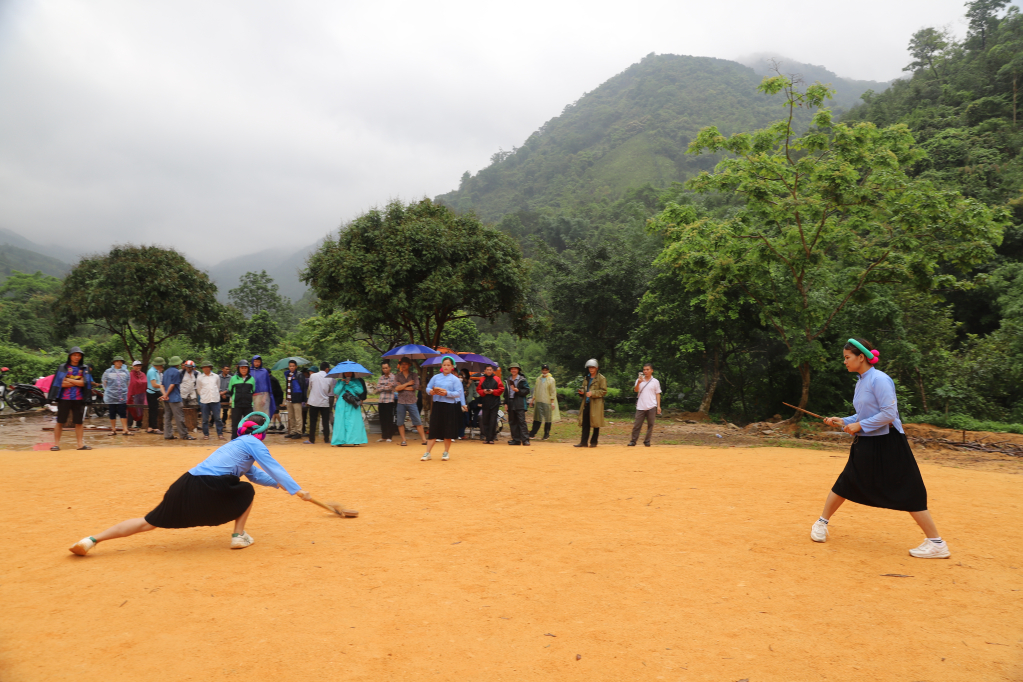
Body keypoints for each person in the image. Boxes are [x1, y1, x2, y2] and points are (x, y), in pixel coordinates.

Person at [68, 413, 314, 555]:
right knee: (245, 491)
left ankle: (91, 540)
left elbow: (257, 474)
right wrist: (297, 489)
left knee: (148, 522)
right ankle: (238, 535)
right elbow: (273, 467)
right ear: (262, 432)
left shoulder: (236, 445)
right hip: (211, 486)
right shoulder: (254, 443)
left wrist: (278, 484)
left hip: (186, 483)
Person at [812, 338, 949, 559]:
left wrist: (859, 425)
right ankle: (821, 523)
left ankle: (936, 543)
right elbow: (864, 415)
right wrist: (844, 420)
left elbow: (888, 414)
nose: (844, 362)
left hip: (889, 443)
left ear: (861, 357)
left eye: (847, 358)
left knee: (908, 488)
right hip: (867, 442)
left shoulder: (880, 379)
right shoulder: (860, 382)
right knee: (847, 480)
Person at [47, 346, 94, 451]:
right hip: (64, 398)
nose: (77, 357)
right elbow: (60, 383)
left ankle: (80, 444)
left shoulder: (84, 368)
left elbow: (84, 383)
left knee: (79, 422)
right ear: (70, 356)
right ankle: (56, 444)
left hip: (79, 398)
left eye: (79, 355)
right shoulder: (62, 368)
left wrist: (69, 380)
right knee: (60, 421)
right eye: (74, 355)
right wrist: (77, 381)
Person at [421, 356, 465, 461]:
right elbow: (428, 387)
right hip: (437, 405)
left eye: (448, 365)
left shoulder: (455, 379)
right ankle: (427, 453)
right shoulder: (436, 377)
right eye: (444, 365)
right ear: (441, 366)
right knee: (434, 428)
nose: (446, 367)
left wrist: (447, 393)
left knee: (448, 429)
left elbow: (458, 393)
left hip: (449, 406)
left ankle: (446, 452)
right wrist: (430, 391)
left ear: (452, 367)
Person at [394, 357, 427, 446]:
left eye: (405, 364)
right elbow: (396, 388)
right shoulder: (397, 376)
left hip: (412, 401)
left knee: (417, 421)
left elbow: (416, 387)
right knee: (400, 421)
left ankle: (424, 439)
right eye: (402, 364)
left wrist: (402, 387)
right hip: (401, 401)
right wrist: (408, 384)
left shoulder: (414, 375)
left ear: (409, 365)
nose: (403, 366)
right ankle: (403, 440)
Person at [575, 358, 607, 448]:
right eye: (589, 367)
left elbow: (603, 391)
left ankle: (594, 442)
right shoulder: (586, 378)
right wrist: (582, 392)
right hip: (586, 403)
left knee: (596, 423)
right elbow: (584, 388)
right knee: (585, 423)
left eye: (593, 367)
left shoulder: (601, 378)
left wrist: (593, 393)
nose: (591, 369)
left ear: (597, 368)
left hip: (596, 404)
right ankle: (583, 442)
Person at [629, 363, 662, 447]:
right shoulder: (639, 380)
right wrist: (638, 383)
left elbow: (658, 394)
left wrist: (658, 406)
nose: (645, 371)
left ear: (652, 370)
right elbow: (635, 390)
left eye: (647, 369)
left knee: (650, 425)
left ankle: (647, 441)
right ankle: (633, 440)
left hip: (651, 406)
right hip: (640, 406)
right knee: (637, 425)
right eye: (644, 370)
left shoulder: (655, 382)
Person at [332, 371, 368, 446]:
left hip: (353, 403)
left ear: (352, 373)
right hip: (342, 404)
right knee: (340, 421)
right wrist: (342, 384)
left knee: (354, 421)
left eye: (349, 373)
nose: (347, 374)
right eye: (346, 373)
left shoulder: (356, 381)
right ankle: (339, 440)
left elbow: (360, 391)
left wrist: (351, 384)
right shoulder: (339, 381)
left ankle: (355, 440)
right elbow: (336, 391)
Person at [160, 356, 192, 440]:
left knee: (167, 417)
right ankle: (184, 434)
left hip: (167, 400)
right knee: (179, 417)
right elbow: (172, 385)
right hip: (175, 398)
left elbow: (162, 385)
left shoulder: (166, 372)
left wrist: (164, 395)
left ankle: (167, 434)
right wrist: (167, 394)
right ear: (177, 363)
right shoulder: (176, 372)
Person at [304, 362, 335, 444]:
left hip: (314, 401)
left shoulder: (313, 376)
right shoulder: (330, 378)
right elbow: (329, 390)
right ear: (327, 369)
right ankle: (326, 439)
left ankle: (311, 439)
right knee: (325, 421)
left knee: (312, 421)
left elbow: (310, 388)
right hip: (325, 402)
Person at [101, 355, 132, 436]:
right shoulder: (108, 372)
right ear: (114, 362)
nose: (119, 363)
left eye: (121, 361)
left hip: (122, 395)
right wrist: (108, 391)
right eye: (117, 361)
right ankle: (113, 429)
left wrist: (123, 390)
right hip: (111, 396)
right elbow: (104, 382)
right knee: (112, 412)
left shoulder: (125, 372)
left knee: (123, 412)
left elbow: (128, 382)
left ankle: (125, 429)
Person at [528, 364, 560, 441]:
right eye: (543, 370)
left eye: (546, 370)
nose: (544, 371)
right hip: (539, 401)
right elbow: (535, 390)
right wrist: (532, 400)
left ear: (548, 371)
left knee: (548, 419)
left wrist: (552, 402)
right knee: (537, 418)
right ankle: (532, 433)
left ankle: (546, 434)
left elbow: (553, 391)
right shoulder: (538, 379)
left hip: (547, 401)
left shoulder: (551, 380)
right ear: (541, 370)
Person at [476, 364, 504, 444]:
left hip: (494, 402)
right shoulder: (482, 379)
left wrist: (493, 391)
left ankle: (491, 438)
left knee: (493, 420)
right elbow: (478, 389)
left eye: (490, 370)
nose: (489, 371)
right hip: (485, 402)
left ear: (492, 371)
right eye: (487, 370)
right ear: (485, 371)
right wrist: (483, 392)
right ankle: (487, 437)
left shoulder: (497, 379)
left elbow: (501, 389)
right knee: (485, 420)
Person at [504, 363, 531, 446]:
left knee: (521, 421)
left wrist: (518, 390)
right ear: (510, 370)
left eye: (515, 369)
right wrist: (505, 403)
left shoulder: (522, 379)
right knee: (512, 421)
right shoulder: (508, 379)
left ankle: (525, 440)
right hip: (510, 402)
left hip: (519, 402)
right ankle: (516, 439)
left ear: (518, 370)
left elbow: (527, 391)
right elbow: (506, 392)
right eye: (512, 369)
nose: (513, 370)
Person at [228, 360, 256, 440]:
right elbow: (230, 390)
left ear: (248, 369)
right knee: (235, 425)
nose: (244, 369)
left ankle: (249, 440)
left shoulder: (252, 379)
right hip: (236, 405)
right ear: (239, 369)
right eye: (242, 368)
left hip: (248, 405)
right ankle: (234, 441)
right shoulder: (233, 378)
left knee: (249, 424)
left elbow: (253, 390)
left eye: (245, 368)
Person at [197, 361, 225, 440]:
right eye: (204, 367)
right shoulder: (200, 378)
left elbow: (218, 386)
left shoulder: (216, 376)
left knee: (217, 418)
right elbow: (199, 389)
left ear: (210, 368)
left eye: (207, 367)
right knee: (205, 419)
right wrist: (203, 395)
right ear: (202, 368)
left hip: (215, 400)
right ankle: (206, 434)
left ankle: (220, 434)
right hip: (204, 401)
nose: (206, 369)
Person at [283, 360, 308, 439]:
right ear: (288, 367)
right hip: (289, 398)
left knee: (298, 416)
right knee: (291, 416)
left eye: (293, 366)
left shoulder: (299, 375)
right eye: (290, 366)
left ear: (296, 367)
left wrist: (304, 399)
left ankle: (299, 432)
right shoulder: (288, 375)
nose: (292, 367)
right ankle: (292, 431)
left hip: (297, 398)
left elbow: (303, 387)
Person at [375, 360, 397, 443]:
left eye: (386, 368)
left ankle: (389, 436)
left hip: (389, 401)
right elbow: (377, 388)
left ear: (390, 368)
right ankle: (383, 436)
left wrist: (382, 387)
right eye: (383, 368)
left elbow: (390, 388)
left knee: (389, 418)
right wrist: (385, 386)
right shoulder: (381, 377)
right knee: (382, 419)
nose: (385, 369)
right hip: (381, 400)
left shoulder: (393, 377)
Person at [249, 355, 276, 420]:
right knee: (251, 414)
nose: (257, 363)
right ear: (252, 362)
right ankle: (252, 428)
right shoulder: (249, 371)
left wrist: (265, 397)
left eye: (258, 362)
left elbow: (267, 385)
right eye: (255, 361)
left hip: (261, 396)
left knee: (261, 414)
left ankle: (262, 429)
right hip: (250, 396)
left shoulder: (264, 372)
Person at [456, 368, 477, 440]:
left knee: (465, 419)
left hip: (466, 403)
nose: (461, 378)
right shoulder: (455, 383)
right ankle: (457, 434)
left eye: (462, 375)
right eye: (460, 376)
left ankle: (461, 434)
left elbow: (467, 392)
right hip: (456, 403)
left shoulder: (465, 383)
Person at [145, 358, 164, 434]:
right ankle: (155, 428)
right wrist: (162, 386)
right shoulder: (152, 371)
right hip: (152, 392)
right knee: (153, 411)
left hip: (155, 392)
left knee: (153, 410)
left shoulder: (155, 371)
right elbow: (154, 385)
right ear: (158, 365)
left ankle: (150, 427)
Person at [127, 360, 148, 431]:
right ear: (133, 366)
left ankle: (139, 424)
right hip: (132, 395)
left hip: (141, 395)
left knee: (140, 410)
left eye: (139, 366)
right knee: (131, 409)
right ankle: (129, 424)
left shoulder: (143, 374)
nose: (138, 367)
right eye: (136, 366)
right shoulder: (130, 375)